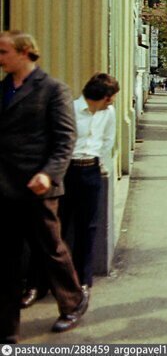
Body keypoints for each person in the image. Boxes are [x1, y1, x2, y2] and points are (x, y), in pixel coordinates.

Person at [0, 31, 89, 342]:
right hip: (5, 186)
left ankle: (73, 301)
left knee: (50, 249)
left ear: (25, 52)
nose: (0, 58)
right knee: (8, 257)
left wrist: (49, 174)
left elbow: (66, 139)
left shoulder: (52, 89)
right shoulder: (3, 90)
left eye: (4, 51)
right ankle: (8, 328)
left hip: (38, 187)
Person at [58, 73, 119, 298]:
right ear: (101, 96)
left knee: (88, 226)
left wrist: (99, 162)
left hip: (91, 171)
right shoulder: (71, 110)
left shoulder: (109, 113)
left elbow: (107, 140)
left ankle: (83, 279)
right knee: (59, 227)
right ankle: (51, 280)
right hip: (67, 172)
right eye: (110, 96)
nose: (112, 101)